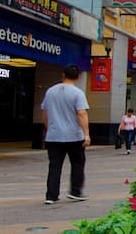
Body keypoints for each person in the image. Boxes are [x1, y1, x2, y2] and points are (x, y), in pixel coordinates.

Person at [41, 64, 90, 205]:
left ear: (63, 75)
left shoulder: (50, 91)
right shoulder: (78, 93)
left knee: (54, 166)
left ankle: (51, 195)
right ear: (78, 77)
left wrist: (49, 128)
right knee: (77, 163)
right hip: (74, 136)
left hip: (54, 136)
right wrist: (86, 134)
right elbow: (82, 113)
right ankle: (75, 191)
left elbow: (44, 112)